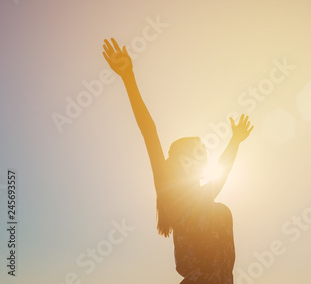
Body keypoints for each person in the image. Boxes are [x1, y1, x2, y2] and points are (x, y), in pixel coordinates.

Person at [102, 38, 253, 283]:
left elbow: (223, 169)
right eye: (197, 150)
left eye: (204, 150)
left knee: (220, 210)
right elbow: (149, 131)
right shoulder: (169, 191)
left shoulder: (206, 198)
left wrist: (235, 140)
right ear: (180, 159)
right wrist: (128, 77)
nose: (204, 154)